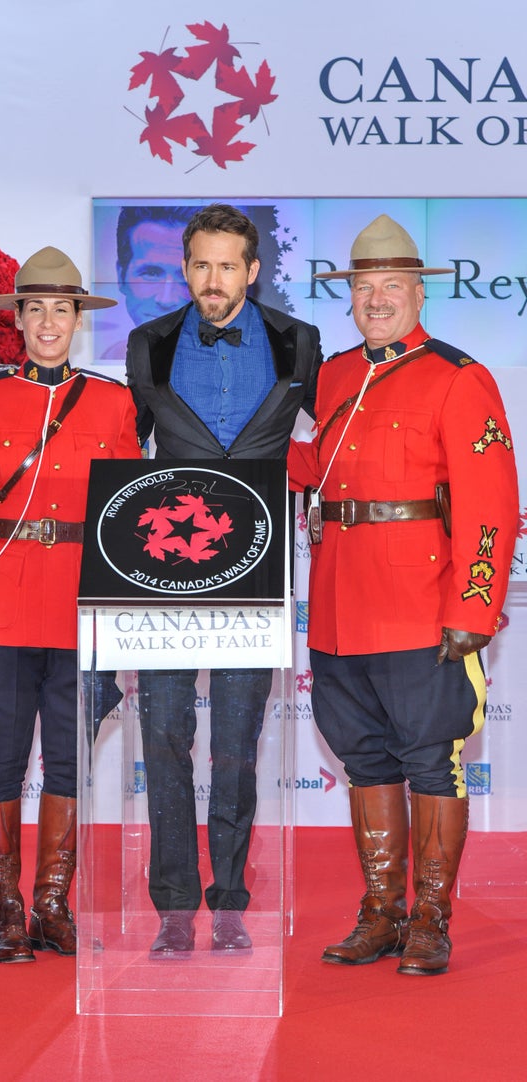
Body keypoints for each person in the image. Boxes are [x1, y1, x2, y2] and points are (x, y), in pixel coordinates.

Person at [288, 214, 519, 975]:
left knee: (431, 763)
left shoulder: (459, 377)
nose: (376, 299)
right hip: (339, 605)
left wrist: (472, 612)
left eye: (391, 286)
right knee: (364, 761)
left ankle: (430, 918)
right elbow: (313, 472)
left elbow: (490, 511)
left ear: (420, 293)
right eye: (363, 287)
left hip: (422, 608)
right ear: (348, 297)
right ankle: (381, 912)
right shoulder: (333, 377)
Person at [125, 203, 323, 955]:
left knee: (238, 741)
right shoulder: (149, 344)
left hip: (258, 563)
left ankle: (231, 900)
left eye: (227, 265)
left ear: (252, 269)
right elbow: (124, 454)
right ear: (184, 268)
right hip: (163, 570)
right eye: (200, 265)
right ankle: (175, 905)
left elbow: (329, 444)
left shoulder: (298, 342)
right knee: (166, 733)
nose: (213, 279)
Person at [0, 246, 141, 963]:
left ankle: (53, 905)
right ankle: (6, 909)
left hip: (81, 603)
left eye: (60, 309)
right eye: (34, 309)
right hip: (0, 602)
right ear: (19, 320)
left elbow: (130, 517)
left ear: (77, 321)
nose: (46, 322)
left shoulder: (114, 402)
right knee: (1, 763)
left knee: (70, 764)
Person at [98, 205, 193, 359]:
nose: (166, 300)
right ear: (121, 276)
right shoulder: (108, 360)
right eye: (152, 273)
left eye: (184, 276)